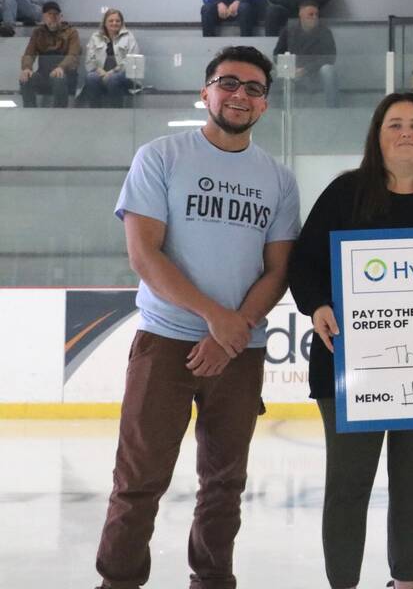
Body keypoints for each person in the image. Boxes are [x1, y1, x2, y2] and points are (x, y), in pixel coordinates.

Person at [94, 46, 300, 589]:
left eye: (253, 88)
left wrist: (232, 336)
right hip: (165, 343)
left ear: (264, 104)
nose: (239, 95)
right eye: (228, 83)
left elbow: (277, 271)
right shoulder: (160, 156)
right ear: (205, 91)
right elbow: (145, 255)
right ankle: (117, 581)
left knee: (224, 483)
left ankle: (212, 580)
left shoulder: (278, 180)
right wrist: (217, 321)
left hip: (240, 352)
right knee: (138, 480)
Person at [287, 92, 413, 589]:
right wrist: (318, 305)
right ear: (378, 134)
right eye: (395, 124)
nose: (406, 132)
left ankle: (407, 581)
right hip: (347, 368)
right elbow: (302, 263)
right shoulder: (345, 193)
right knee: (347, 487)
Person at [272, 0, 338, 106]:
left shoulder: (325, 32)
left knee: (328, 70)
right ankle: (273, 111)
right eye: (310, 14)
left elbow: (330, 58)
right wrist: (289, 68)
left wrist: (306, 69)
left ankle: (333, 108)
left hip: (315, 72)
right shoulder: (288, 30)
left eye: (316, 14)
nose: (314, 17)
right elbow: (277, 54)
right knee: (269, 73)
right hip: (291, 71)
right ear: (301, 14)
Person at [18, 1, 80, 108]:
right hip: (44, 75)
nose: (52, 17)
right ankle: (29, 112)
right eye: (49, 14)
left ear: (60, 16)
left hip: (65, 75)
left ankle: (59, 114)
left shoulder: (71, 32)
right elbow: (29, 54)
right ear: (43, 17)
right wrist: (27, 68)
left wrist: (61, 68)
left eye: (55, 14)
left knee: (58, 78)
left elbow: (73, 55)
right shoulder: (37, 32)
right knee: (26, 78)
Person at [80, 8, 139, 108]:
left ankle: (116, 113)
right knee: (91, 78)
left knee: (113, 79)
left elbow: (132, 59)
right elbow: (90, 60)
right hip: (100, 73)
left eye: (117, 21)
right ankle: (95, 112)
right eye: (111, 21)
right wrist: (100, 71)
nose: (114, 23)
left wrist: (112, 72)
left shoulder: (129, 37)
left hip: (122, 75)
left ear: (121, 23)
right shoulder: (95, 37)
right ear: (105, 23)